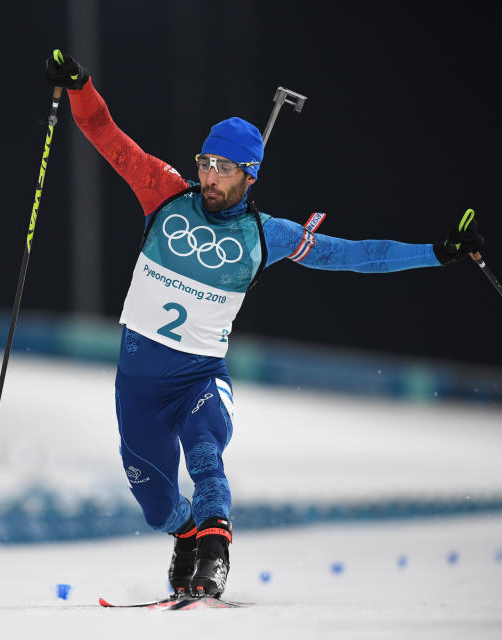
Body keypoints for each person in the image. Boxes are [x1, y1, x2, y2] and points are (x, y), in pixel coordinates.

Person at [45, 52, 486, 599]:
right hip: (137, 387)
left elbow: (356, 255)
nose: (209, 177)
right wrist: (81, 85)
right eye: (206, 162)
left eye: (224, 169)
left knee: (204, 451)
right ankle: (185, 533)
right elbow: (102, 131)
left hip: (199, 379)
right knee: (156, 506)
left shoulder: (265, 234)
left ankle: (214, 552)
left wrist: (437, 254)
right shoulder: (164, 194)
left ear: (250, 174)